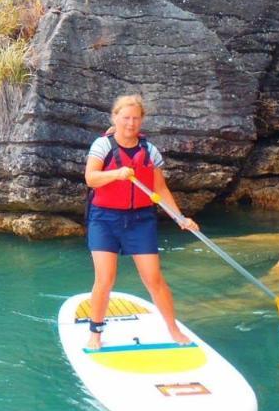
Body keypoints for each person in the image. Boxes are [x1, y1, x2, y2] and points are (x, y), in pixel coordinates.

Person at [84, 95, 198, 350]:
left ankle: (174, 329)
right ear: (115, 118)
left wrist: (180, 218)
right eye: (125, 118)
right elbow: (91, 178)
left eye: (136, 118)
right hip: (105, 219)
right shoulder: (102, 146)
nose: (130, 123)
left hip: (140, 221)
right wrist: (116, 173)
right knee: (105, 278)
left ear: (142, 120)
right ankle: (95, 334)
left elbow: (161, 189)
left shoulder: (149, 150)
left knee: (154, 278)